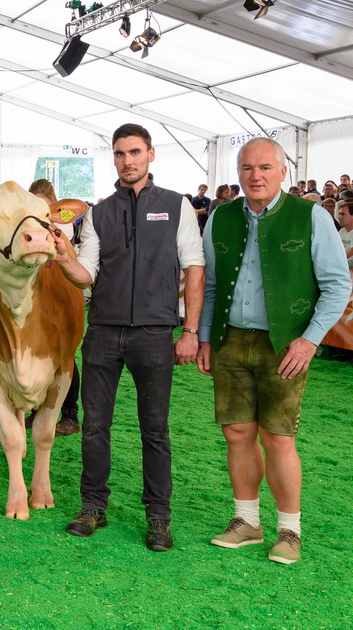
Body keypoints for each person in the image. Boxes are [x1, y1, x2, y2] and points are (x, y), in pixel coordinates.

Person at [197, 137, 351, 565]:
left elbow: (339, 285)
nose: (256, 175)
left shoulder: (311, 216)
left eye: (265, 167)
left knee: (278, 438)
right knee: (237, 433)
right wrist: (207, 337)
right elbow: (210, 285)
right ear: (239, 173)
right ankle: (247, 521)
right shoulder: (220, 217)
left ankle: (290, 530)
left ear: (283, 171)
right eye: (247, 168)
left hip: (285, 344)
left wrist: (310, 339)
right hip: (230, 339)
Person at [52, 123, 205, 552]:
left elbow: (194, 268)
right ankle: (92, 507)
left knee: (154, 430)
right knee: (94, 426)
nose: (127, 161)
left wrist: (189, 330)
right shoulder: (99, 212)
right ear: (114, 158)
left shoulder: (178, 206)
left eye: (135, 152)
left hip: (155, 334)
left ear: (151, 155)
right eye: (120, 154)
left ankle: (158, 517)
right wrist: (65, 258)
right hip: (102, 332)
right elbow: (87, 273)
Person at [29, 178, 83, 436]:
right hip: (36, 295)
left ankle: (70, 413)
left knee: (65, 355)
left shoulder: (65, 228)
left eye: (46, 208)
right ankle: (35, 409)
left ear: (56, 206)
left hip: (62, 296)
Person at [337, 200, 353, 268]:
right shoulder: (342, 231)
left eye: (343, 214)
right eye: (339, 214)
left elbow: (350, 256)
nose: (339, 217)